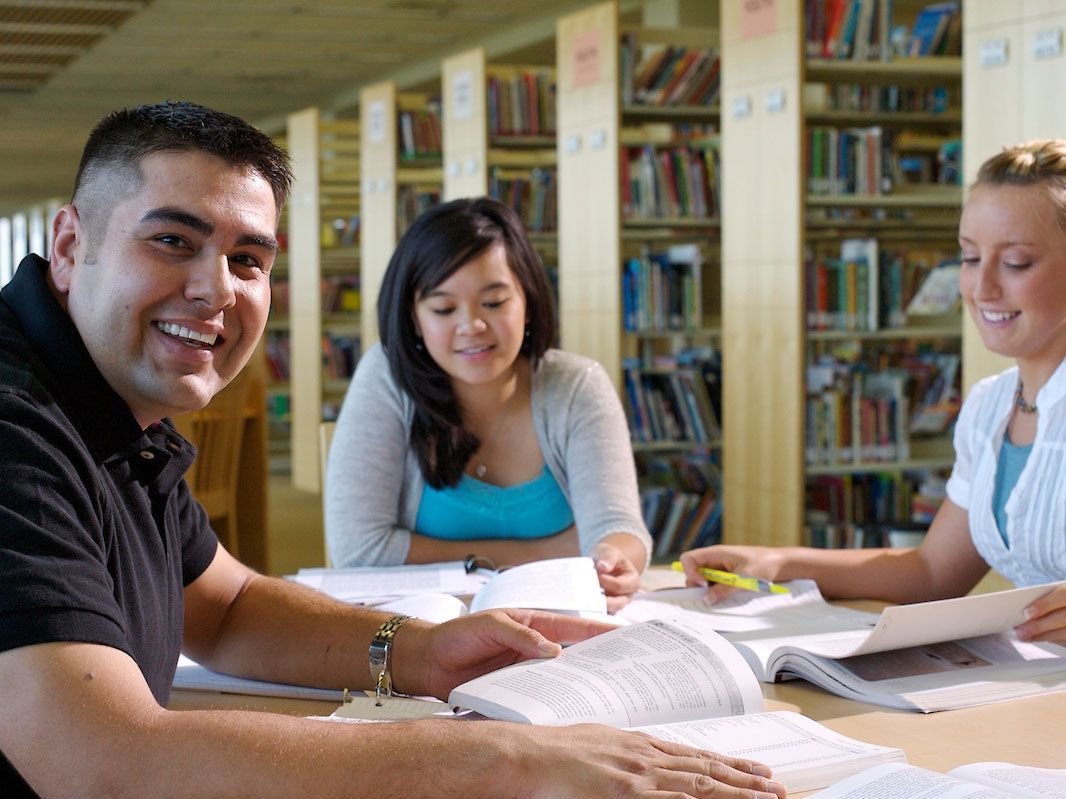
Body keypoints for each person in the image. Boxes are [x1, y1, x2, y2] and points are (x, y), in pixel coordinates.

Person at [0, 101, 787, 799]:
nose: (217, 290)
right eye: (173, 239)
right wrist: (496, 757)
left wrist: (422, 652)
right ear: (70, 244)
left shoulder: (116, 413)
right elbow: (99, 760)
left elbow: (229, 608)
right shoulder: (15, 426)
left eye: (249, 259)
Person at [681, 139, 1066, 647]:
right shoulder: (989, 406)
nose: (982, 288)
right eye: (970, 258)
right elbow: (932, 572)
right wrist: (780, 562)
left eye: (1016, 263)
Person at [325, 197, 651, 611]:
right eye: (444, 308)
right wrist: (550, 552)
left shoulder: (576, 387)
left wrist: (613, 559)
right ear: (414, 319)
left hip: (559, 627)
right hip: (420, 632)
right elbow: (360, 549)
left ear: (528, 301)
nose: (472, 326)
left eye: (494, 303)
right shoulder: (387, 378)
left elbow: (620, 529)